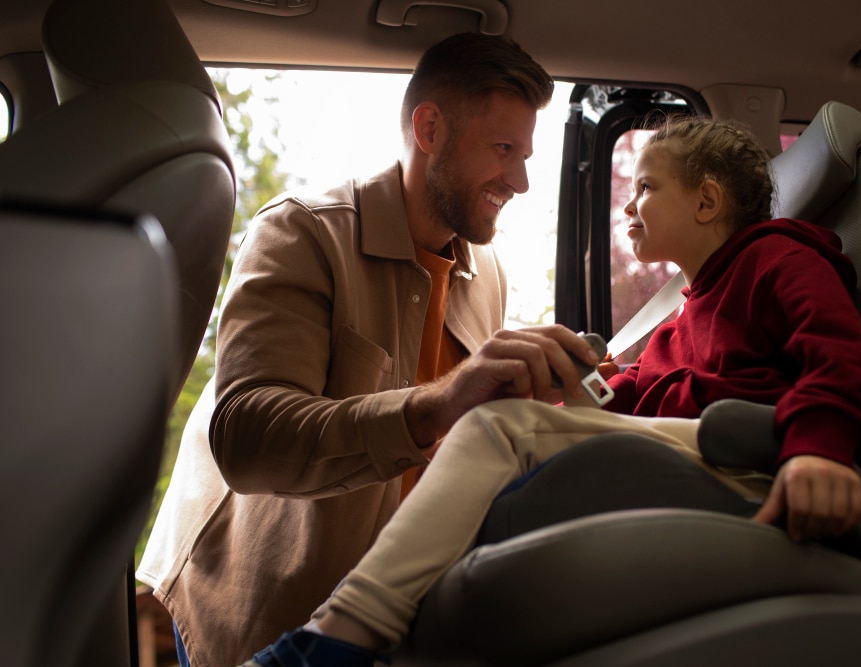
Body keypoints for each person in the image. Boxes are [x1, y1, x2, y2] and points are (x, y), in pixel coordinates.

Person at [241, 116, 861, 666]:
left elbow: (837, 352)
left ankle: (333, 640)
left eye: (647, 188)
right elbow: (625, 396)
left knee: (495, 431)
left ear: (707, 202)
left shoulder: (780, 260)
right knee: (503, 425)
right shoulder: (682, 316)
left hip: (749, 458)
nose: (629, 206)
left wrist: (819, 448)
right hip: (686, 452)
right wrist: (556, 389)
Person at [136, 32, 607, 667]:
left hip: (386, 613)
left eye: (524, 156)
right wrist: (438, 403)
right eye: (503, 150)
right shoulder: (300, 231)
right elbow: (248, 438)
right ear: (430, 129)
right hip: (258, 612)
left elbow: (448, 444)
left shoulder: (488, 270)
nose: (520, 181)